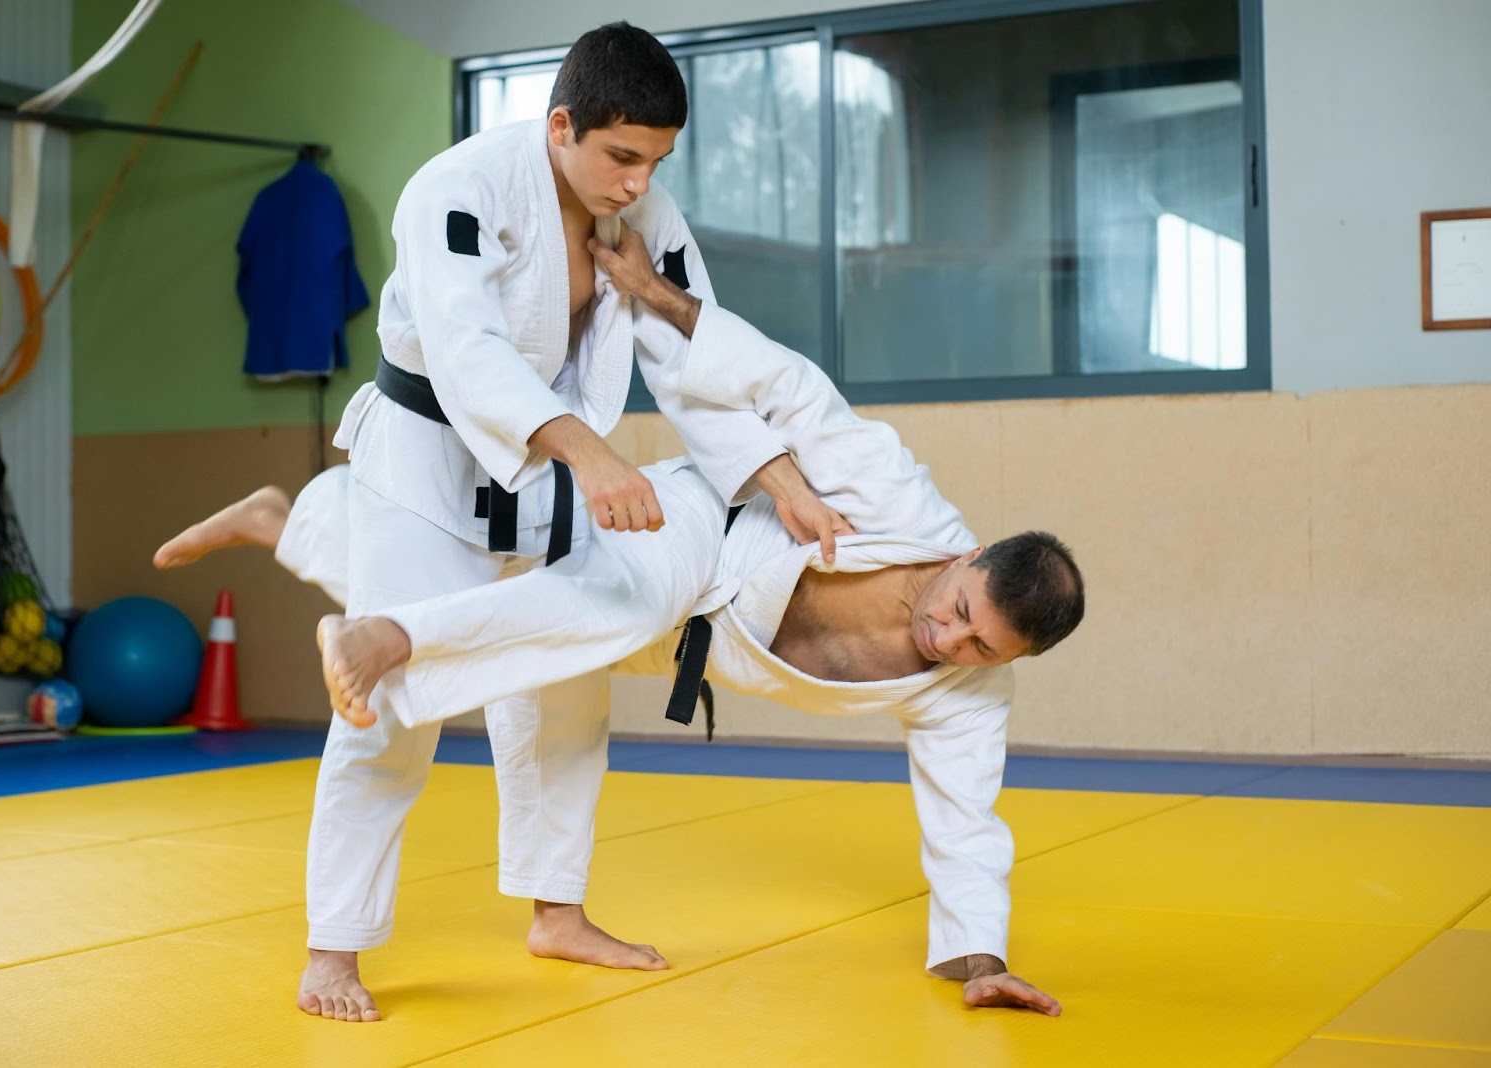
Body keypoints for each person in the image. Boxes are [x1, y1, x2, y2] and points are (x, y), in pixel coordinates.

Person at [156, 228, 1084, 1017]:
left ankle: (293, 527)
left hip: (692, 644)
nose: (950, 643)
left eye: (981, 647)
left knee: (557, 706)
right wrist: (658, 296)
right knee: (602, 604)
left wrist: (984, 963)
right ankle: (394, 639)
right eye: (960, 613)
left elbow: (967, 823)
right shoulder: (903, 500)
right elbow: (789, 384)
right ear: (967, 559)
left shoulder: (969, 690)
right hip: (697, 530)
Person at [198, 20, 847, 1023]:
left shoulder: (646, 215)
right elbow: (462, 352)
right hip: (426, 458)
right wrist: (590, 456)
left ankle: (557, 911)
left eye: (656, 160)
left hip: (549, 477)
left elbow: (691, 353)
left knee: (564, 691)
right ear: (560, 126)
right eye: (620, 155)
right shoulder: (454, 188)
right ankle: (334, 950)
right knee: (392, 698)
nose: (638, 182)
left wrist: (779, 472)